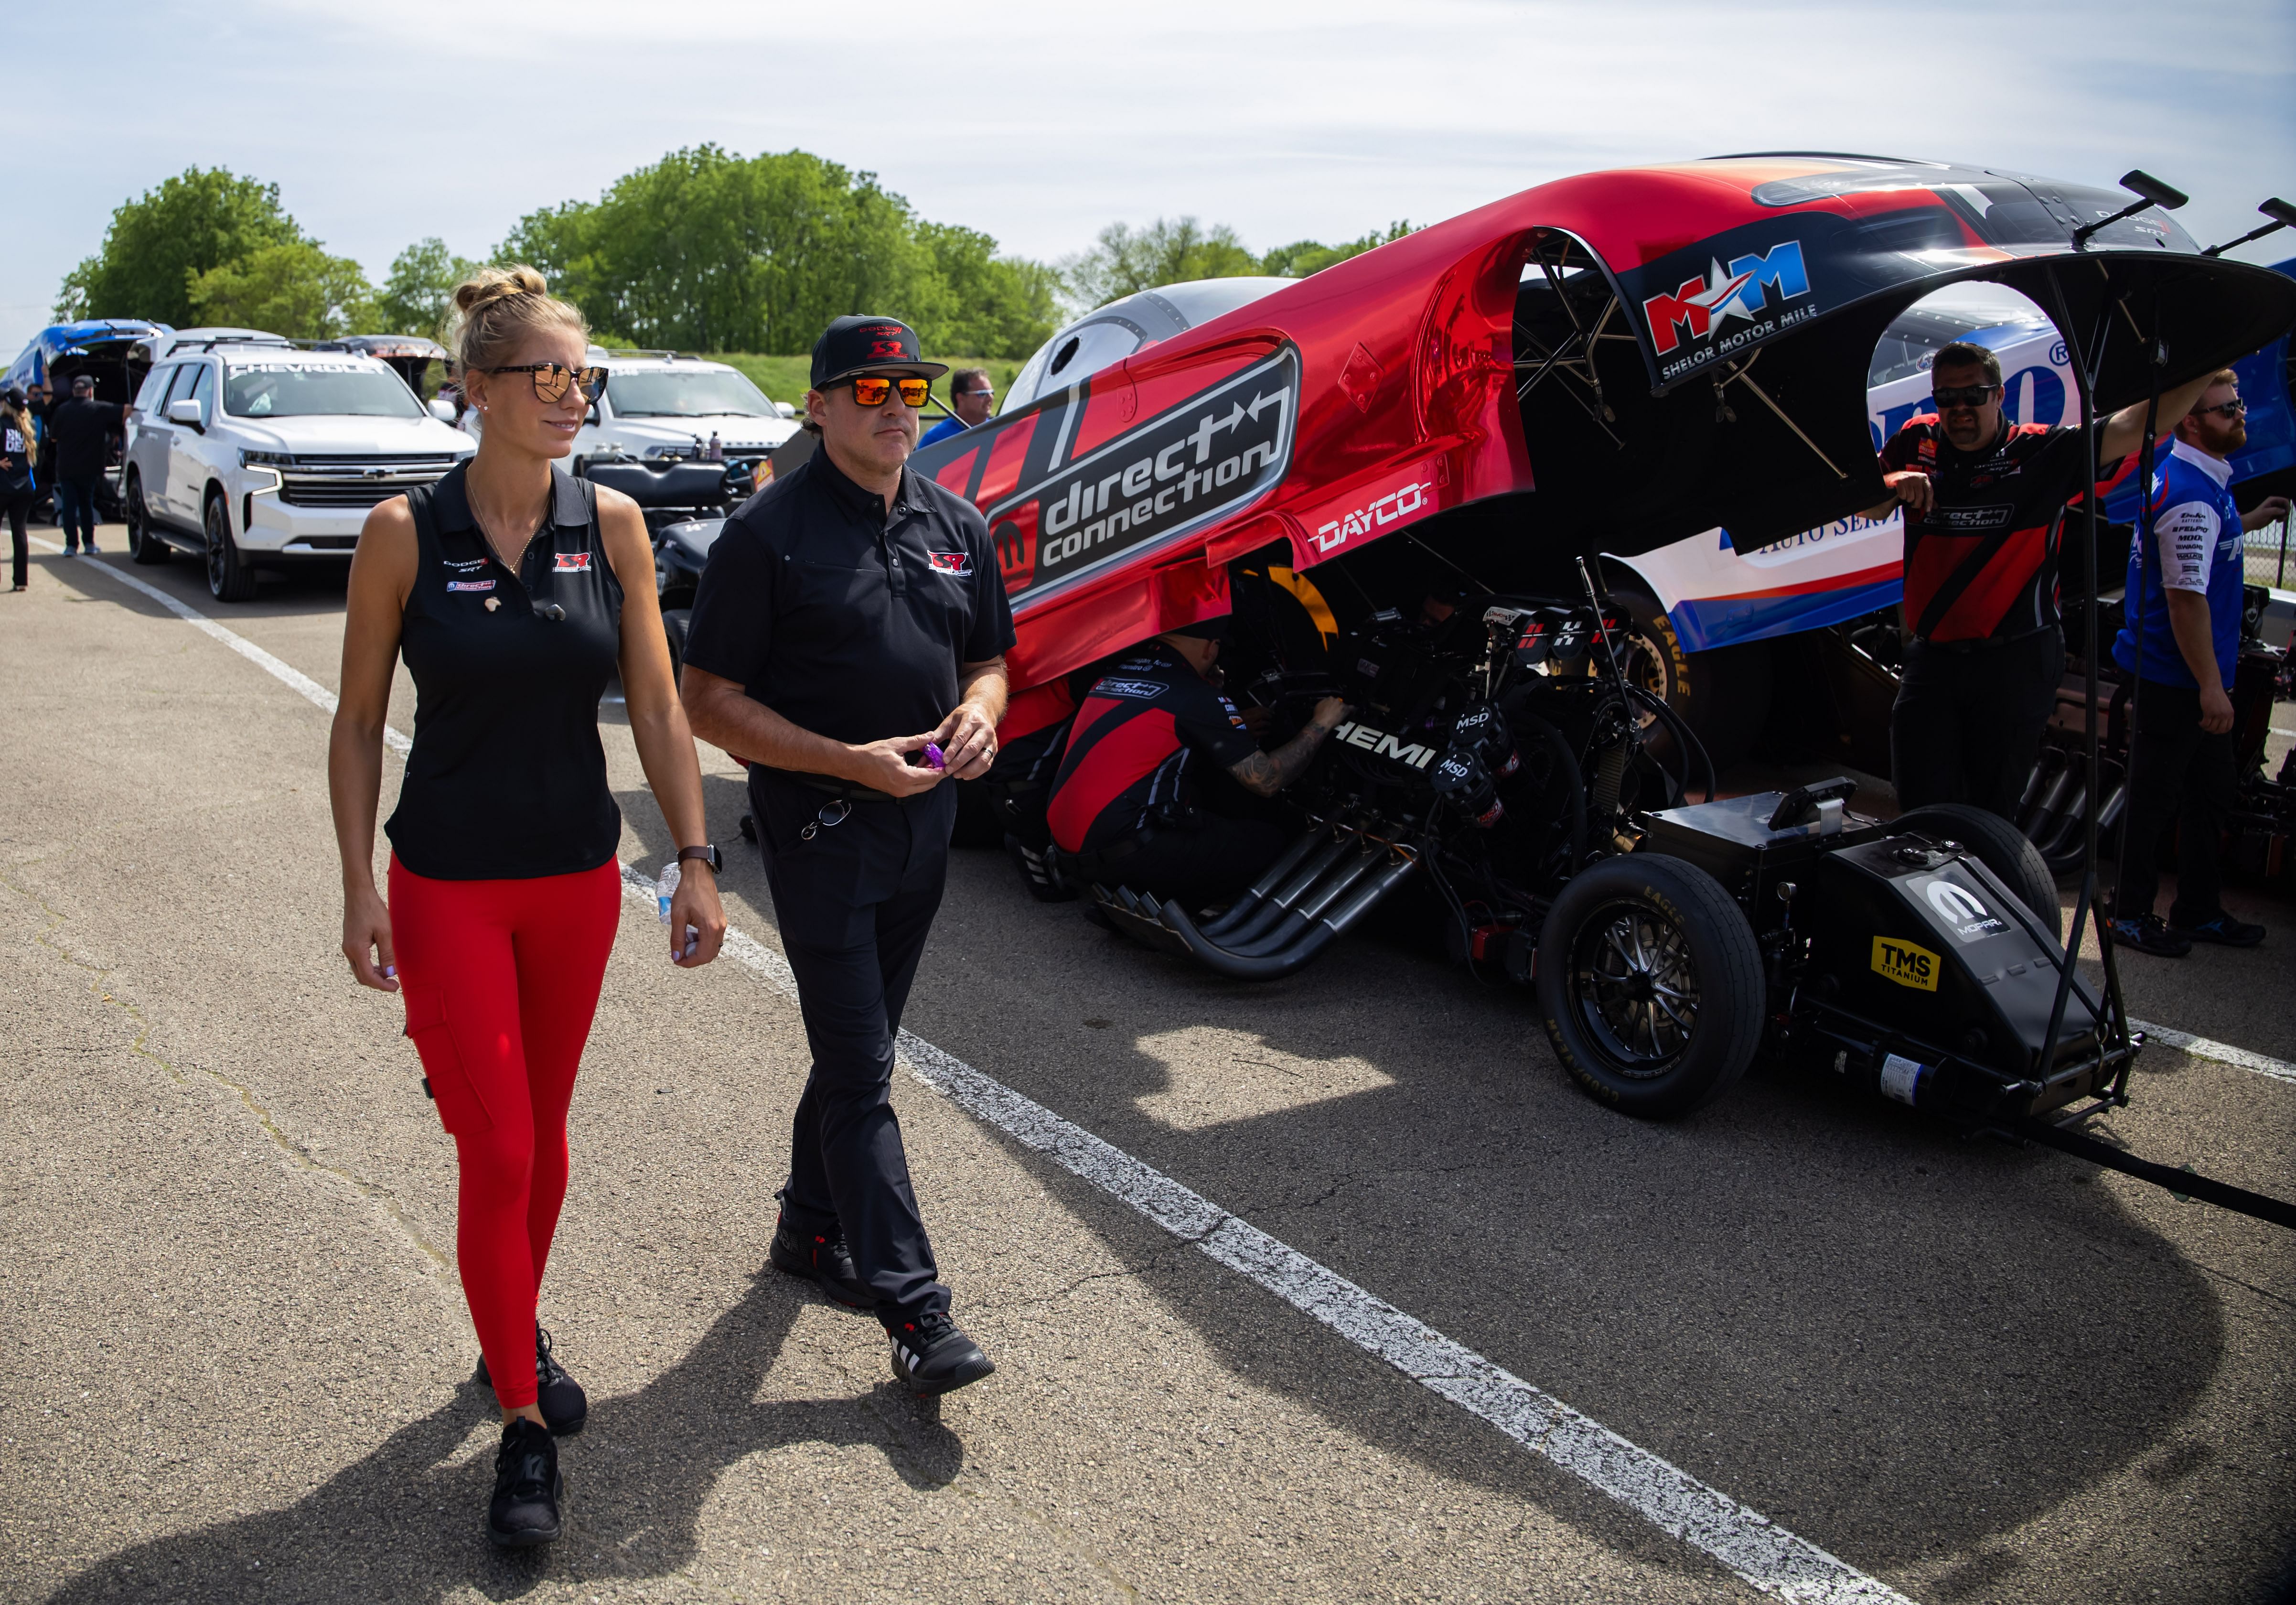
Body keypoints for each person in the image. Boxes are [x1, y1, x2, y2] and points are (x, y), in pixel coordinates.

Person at [328, 266, 728, 1548]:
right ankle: (519, 1418)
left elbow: (659, 707)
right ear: (476, 388)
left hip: (573, 877)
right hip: (444, 878)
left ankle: (514, 1320)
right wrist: (355, 885)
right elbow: (353, 723)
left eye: (583, 375)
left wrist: (694, 855)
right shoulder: (403, 530)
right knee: (496, 1147)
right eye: (547, 375)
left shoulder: (610, 521)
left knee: (544, 1133)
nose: (572, 396)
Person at [679, 314, 1013, 1397]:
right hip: (820, 833)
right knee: (866, 1070)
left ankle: (808, 1230)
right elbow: (706, 701)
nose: (896, 405)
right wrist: (847, 762)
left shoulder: (958, 522)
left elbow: (991, 658)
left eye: (907, 385)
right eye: (868, 390)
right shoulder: (764, 536)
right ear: (817, 406)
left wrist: (979, 713)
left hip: (925, 831)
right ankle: (915, 1309)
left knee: (849, 1053)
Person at [1867, 342, 2219, 819]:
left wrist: (2217, 351)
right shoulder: (1917, 442)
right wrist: (1891, 484)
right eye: (1946, 398)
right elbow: (1867, 507)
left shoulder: (2041, 450)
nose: (1960, 409)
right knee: (1917, 802)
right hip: (1934, 658)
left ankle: (1989, 887)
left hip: (2015, 658)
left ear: (1999, 395)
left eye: (1973, 395)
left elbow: (2139, 425)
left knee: (1989, 811)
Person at [2104, 369, 2287, 957]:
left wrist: (2250, 520)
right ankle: (2128, 913)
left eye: (2237, 404)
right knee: (2155, 797)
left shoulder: (2201, 484)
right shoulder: (2189, 495)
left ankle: (2198, 909)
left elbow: (2199, 549)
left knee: (2212, 792)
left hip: (2190, 676)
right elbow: (2186, 603)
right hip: (2176, 678)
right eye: (2223, 409)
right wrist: (2212, 686)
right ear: (2190, 420)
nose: (2238, 415)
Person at [1044, 612, 1352, 911]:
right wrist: (1320, 724)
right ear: (1210, 647)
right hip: (1122, 855)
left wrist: (1227, 721)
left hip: (1065, 845)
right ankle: (1166, 908)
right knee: (1269, 841)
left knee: (1199, 793)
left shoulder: (1115, 673)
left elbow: (1155, 726)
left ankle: (1125, 896)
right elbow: (1267, 780)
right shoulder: (1199, 697)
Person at [42, 375, 125, 556]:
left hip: (66, 468)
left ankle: (71, 546)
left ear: (74, 391)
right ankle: (89, 543)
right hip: (90, 468)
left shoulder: (62, 411)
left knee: (69, 507)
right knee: (87, 506)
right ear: (90, 391)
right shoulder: (98, 409)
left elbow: (54, 437)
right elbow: (126, 411)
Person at [1, 388, 35, 591]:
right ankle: (21, 581)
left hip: (3, 485)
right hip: (24, 487)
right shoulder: (28, 427)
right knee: (20, 532)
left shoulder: (2, 424)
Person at [919, 367, 995, 449]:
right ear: (961, 398)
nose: (990, 398)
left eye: (992, 393)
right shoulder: (936, 438)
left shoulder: (998, 430)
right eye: (982, 394)